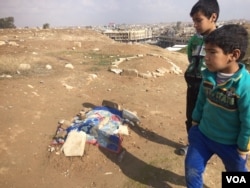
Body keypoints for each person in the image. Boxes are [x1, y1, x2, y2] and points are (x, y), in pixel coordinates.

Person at [185, 24, 250, 187]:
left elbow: (248, 122)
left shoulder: (244, 86)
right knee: (192, 170)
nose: (206, 57)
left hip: (231, 144)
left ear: (233, 55)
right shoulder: (208, 76)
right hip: (203, 136)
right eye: (206, 51)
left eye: (212, 52)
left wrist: (242, 150)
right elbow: (200, 101)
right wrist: (195, 124)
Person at [179, 0, 220, 155]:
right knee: (191, 116)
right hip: (193, 85)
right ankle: (193, 144)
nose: (195, 25)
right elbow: (191, 57)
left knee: (208, 117)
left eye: (199, 20)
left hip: (210, 87)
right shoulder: (196, 39)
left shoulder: (220, 41)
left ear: (213, 17)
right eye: (193, 21)